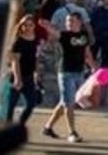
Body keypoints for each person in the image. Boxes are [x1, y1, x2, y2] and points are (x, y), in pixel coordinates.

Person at [41, 12, 95, 143]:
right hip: (66, 72)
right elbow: (55, 33)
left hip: (79, 72)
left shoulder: (84, 35)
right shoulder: (64, 35)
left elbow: (87, 52)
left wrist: (93, 67)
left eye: (71, 21)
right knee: (69, 103)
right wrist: (47, 27)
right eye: (67, 21)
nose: (68, 23)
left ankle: (48, 127)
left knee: (65, 102)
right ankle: (72, 132)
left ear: (79, 22)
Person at [5, 15, 41, 127]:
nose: (28, 27)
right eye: (25, 25)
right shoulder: (18, 42)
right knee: (10, 106)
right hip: (17, 76)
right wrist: (17, 79)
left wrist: (37, 73)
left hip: (29, 77)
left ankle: (19, 125)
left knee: (31, 103)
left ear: (34, 26)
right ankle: (7, 129)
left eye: (30, 25)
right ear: (21, 26)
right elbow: (15, 62)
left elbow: (36, 57)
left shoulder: (36, 39)